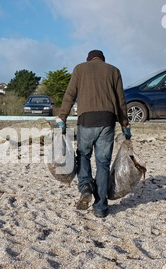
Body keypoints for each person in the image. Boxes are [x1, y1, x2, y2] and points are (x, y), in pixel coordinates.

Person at [57, 49, 131, 218]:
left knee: (83, 155)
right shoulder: (114, 71)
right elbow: (121, 102)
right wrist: (125, 125)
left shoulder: (79, 69)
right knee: (103, 163)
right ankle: (101, 207)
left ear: (89, 59)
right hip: (107, 121)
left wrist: (62, 117)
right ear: (102, 60)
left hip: (86, 121)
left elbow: (69, 95)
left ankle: (85, 187)